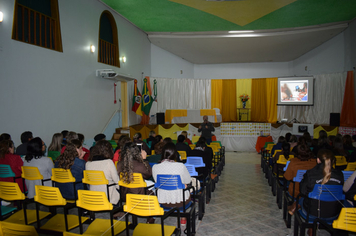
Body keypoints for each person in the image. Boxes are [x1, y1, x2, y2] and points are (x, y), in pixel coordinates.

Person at [299, 150, 343, 220]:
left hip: (313, 212)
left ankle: (312, 225)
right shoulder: (340, 174)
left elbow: (303, 191)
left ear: (318, 160)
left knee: (301, 199)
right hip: (334, 213)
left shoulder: (310, 173)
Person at [152, 143, 191, 208]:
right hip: (181, 201)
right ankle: (183, 216)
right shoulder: (180, 166)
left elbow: (157, 181)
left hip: (162, 201)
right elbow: (188, 180)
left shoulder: (155, 167)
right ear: (175, 154)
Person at [284, 144, 317, 215]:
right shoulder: (315, 162)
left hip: (296, 191)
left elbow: (287, 177)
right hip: (312, 191)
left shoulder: (293, 161)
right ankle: (298, 204)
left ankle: (296, 204)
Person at [86, 140, 120, 205]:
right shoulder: (108, 162)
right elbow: (117, 181)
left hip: (94, 195)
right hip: (108, 196)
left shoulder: (88, 163)